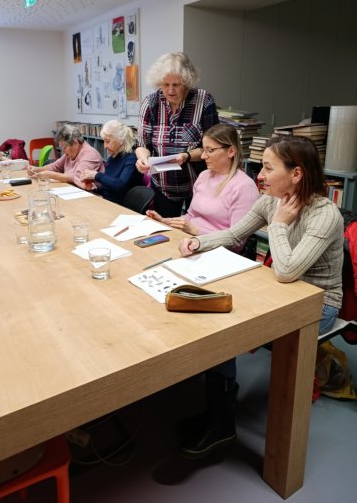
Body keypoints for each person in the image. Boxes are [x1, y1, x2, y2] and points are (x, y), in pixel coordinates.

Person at [177, 135, 344, 460]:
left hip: (318, 303)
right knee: (216, 319)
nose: (261, 175)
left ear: (296, 174)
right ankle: (220, 408)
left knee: (226, 330)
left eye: (268, 168)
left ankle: (222, 421)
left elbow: (287, 270)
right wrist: (199, 243)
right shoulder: (271, 199)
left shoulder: (324, 214)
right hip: (283, 291)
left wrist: (278, 225)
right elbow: (235, 233)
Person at [135, 52, 219, 216]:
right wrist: (143, 159)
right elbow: (142, 144)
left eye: (176, 85)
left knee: (196, 229)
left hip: (198, 185)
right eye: (165, 84)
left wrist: (187, 156)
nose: (170, 90)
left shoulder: (204, 100)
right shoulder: (151, 103)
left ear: (187, 82)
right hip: (163, 188)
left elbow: (213, 147)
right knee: (166, 228)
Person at [146, 124, 259, 240]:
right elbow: (190, 216)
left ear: (231, 151)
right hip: (190, 240)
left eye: (210, 150)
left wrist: (196, 231)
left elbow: (237, 241)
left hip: (214, 248)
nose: (203, 156)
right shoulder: (204, 176)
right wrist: (164, 221)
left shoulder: (245, 187)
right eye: (204, 150)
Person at [80, 120, 141, 205]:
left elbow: (120, 186)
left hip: (123, 207)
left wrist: (96, 175)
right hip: (108, 203)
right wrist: (95, 187)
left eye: (108, 141)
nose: (105, 146)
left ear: (120, 140)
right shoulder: (112, 158)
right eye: (104, 141)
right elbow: (109, 186)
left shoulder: (131, 159)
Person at [27, 124, 104, 189]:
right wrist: (36, 169)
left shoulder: (90, 154)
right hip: (71, 189)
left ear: (75, 143)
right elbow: (55, 166)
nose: (62, 151)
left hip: (90, 195)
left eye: (64, 147)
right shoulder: (70, 153)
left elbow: (77, 177)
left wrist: (51, 175)